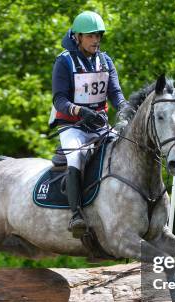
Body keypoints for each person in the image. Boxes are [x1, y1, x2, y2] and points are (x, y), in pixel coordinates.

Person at [49, 10, 133, 238]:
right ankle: (76, 214)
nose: (96, 40)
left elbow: (115, 93)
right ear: (77, 37)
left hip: (99, 126)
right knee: (77, 157)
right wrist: (80, 110)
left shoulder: (105, 61)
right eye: (90, 36)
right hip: (72, 126)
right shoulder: (64, 62)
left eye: (98, 36)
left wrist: (125, 109)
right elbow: (59, 99)